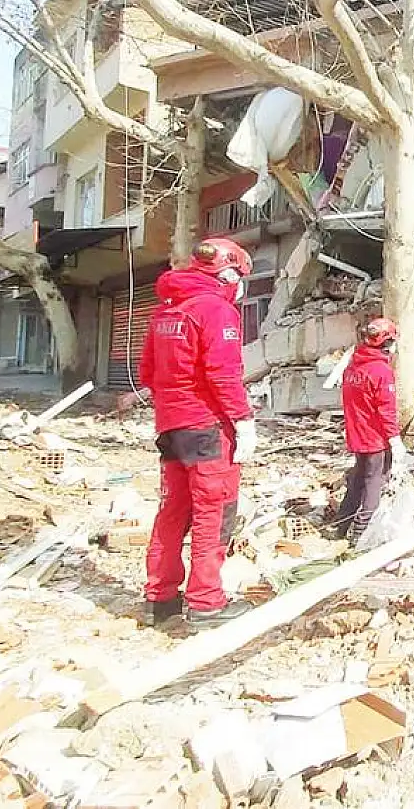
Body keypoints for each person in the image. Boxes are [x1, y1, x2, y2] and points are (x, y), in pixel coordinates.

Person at [137, 238, 259, 630]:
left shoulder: (164, 313)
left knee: (172, 511)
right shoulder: (215, 311)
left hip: (171, 427)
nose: (240, 287)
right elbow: (223, 374)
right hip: (206, 428)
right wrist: (242, 421)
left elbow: (147, 375)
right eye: (239, 278)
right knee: (214, 511)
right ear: (227, 274)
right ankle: (206, 602)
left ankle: (161, 599)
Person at [335, 317, 409, 540]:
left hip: (357, 435)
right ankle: (362, 530)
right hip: (374, 438)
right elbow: (386, 410)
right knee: (373, 483)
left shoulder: (353, 367)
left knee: (358, 479)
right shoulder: (380, 371)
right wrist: (395, 440)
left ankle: (341, 524)